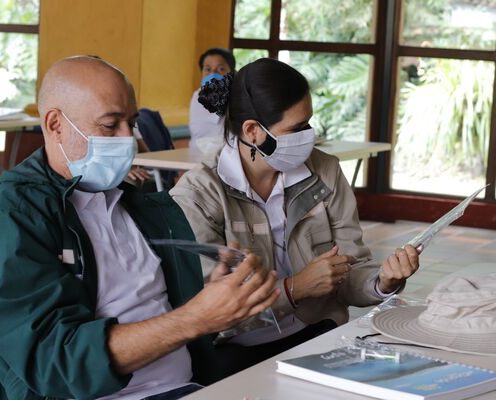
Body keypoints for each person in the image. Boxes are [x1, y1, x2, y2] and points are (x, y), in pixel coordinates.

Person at [0, 56, 279, 400]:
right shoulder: (10, 220)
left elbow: (154, 309)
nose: (129, 139)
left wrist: (217, 297)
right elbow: (54, 362)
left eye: (131, 122)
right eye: (111, 125)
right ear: (55, 125)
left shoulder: (135, 203)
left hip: (188, 386)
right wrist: (195, 318)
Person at [170, 58, 421, 373]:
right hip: (235, 351)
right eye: (297, 128)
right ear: (252, 131)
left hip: (316, 334)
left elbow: (349, 270)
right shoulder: (198, 194)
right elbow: (209, 311)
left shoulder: (324, 171)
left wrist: (382, 281)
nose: (309, 136)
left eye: (309, 123)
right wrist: (294, 289)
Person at [188, 47, 235, 151]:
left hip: (228, 157)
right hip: (196, 155)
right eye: (208, 69)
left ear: (231, 72)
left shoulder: (240, 97)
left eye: (220, 69)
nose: (213, 74)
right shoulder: (197, 97)